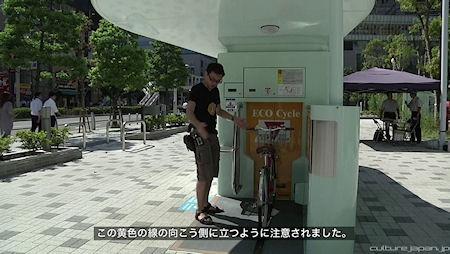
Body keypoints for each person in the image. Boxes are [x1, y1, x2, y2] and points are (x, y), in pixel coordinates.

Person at [186, 63, 246, 225]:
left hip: (212, 134)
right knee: (203, 175)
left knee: (211, 172)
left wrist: (235, 119)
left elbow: (218, 111)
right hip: (200, 135)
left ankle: (205, 204)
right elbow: (189, 112)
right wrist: (199, 126)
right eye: (212, 79)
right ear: (205, 74)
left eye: (218, 81)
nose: (214, 83)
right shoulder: (197, 90)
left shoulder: (215, 91)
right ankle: (200, 211)